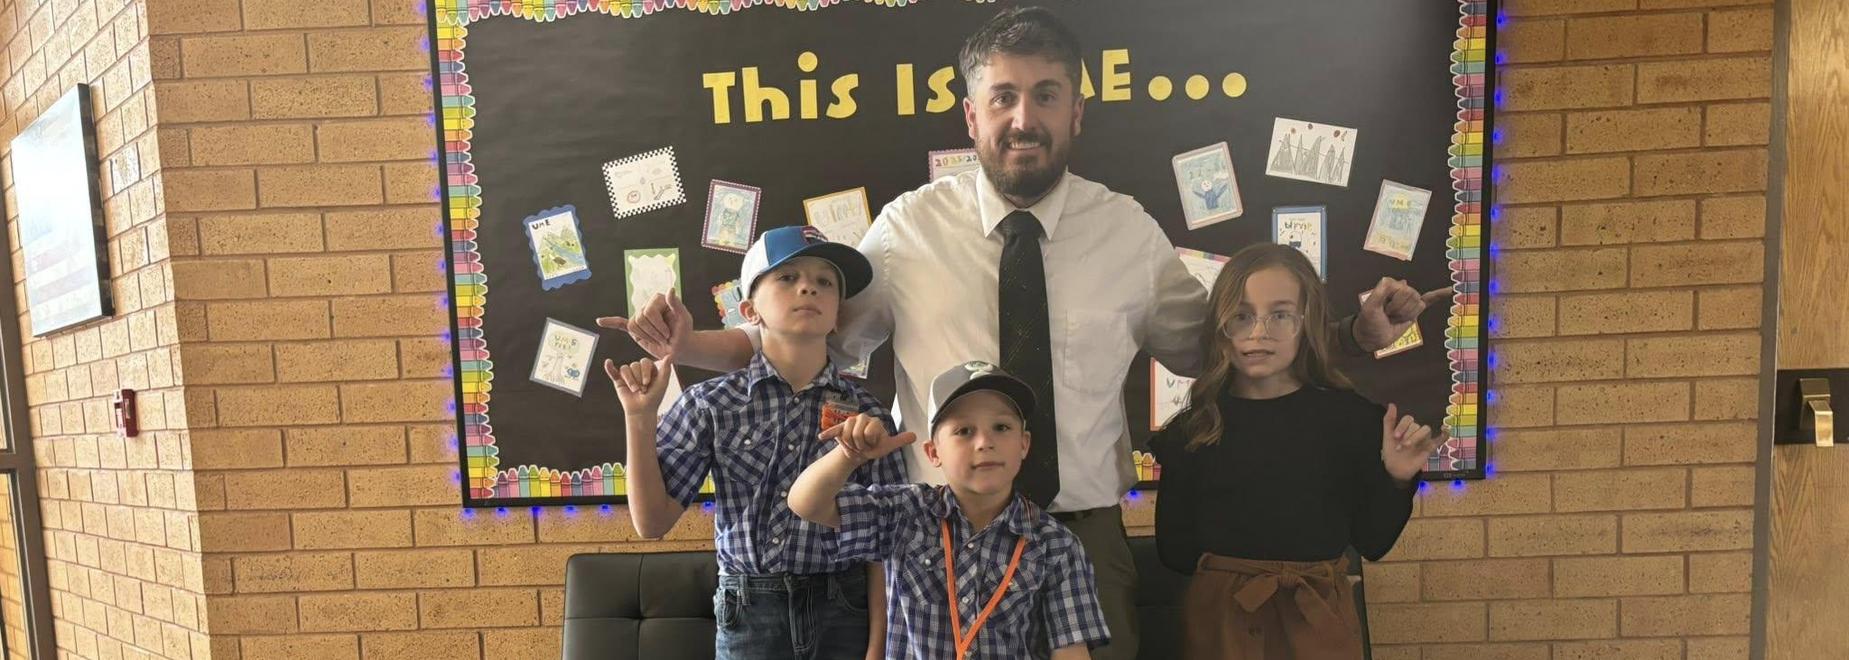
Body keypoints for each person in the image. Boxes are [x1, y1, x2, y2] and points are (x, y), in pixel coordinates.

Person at [600, 8, 1446, 658]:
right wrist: (686, 348)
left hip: (1083, 534)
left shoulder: (1128, 232)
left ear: (1077, 112)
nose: (1022, 117)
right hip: (933, 532)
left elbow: (1219, 347)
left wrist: (1353, 334)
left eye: (1045, 95)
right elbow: (803, 333)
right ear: (971, 116)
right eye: (1002, 97)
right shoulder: (906, 231)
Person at [609, 226, 907, 660]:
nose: (808, 287)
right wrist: (638, 418)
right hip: (749, 612)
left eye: (825, 282)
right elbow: (651, 523)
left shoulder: (869, 416)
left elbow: (885, 545)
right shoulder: (711, 404)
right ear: (749, 310)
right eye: (787, 277)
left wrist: (880, 645)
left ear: (838, 316)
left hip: (846, 608)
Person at [1149, 244, 1439, 660]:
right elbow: (1174, 551)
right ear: (1220, 326)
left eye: (1281, 315)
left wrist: (1396, 480)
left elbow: (1373, 542)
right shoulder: (1192, 431)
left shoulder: (1353, 421)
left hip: (1318, 623)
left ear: (1309, 323)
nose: (1258, 332)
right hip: (1221, 628)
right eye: (1241, 315)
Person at [788, 361, 1110, 660]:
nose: (984, 442)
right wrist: (849, 457)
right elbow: (806, 503)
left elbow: (1071, 651)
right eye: (964, 431)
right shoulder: (906, 513)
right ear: (933, 453)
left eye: (1001, 427)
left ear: (1024, 444)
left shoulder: (1055, 544)